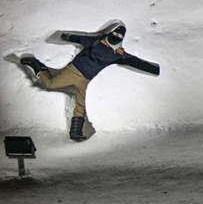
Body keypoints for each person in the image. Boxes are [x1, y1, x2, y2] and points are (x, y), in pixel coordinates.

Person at [19, 22, 160, 141]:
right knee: (51, 84)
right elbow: (82, 39)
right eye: (115, 35)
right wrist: (66, 36)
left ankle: (75, 133)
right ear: (111, 34)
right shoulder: (96, 41)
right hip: (74, 71)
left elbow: (136, 62)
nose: (116, 38)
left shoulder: (118, 54)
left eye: (119, 37)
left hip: (85, 79)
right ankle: (36, 65)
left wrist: (155, 69)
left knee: (80, 104)